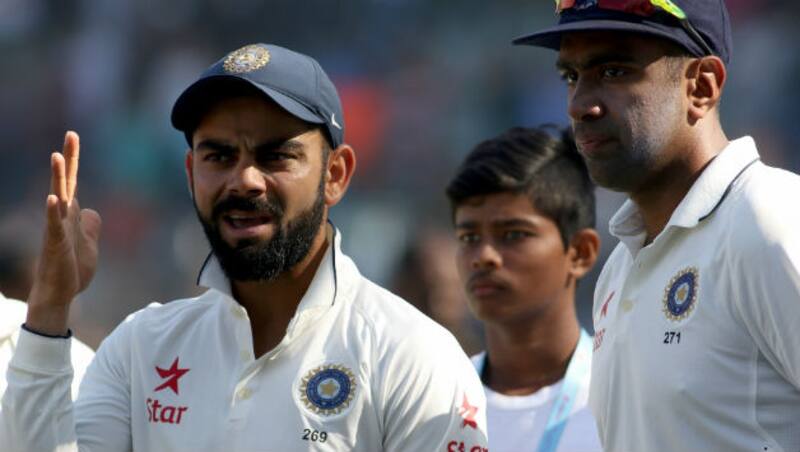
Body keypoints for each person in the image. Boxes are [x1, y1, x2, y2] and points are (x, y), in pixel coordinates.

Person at [2, 43, 489, 452]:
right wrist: (48, 305)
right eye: (219, 156)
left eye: (276, 155)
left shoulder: (410, 356)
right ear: (192, 174)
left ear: (335, 174)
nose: (245, 180)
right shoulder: (141, 349)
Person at [514, 1, 800, 451]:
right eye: (571, 76)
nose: (579, 104)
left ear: (702, 86)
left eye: (613, 71)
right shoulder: (620, 269)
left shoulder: (770, 220)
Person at [446, 126, 602, 452]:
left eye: (513, 234)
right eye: (469, 238)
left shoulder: (624, 395)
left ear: (580, 252)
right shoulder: (432, 399)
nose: (484, 257)